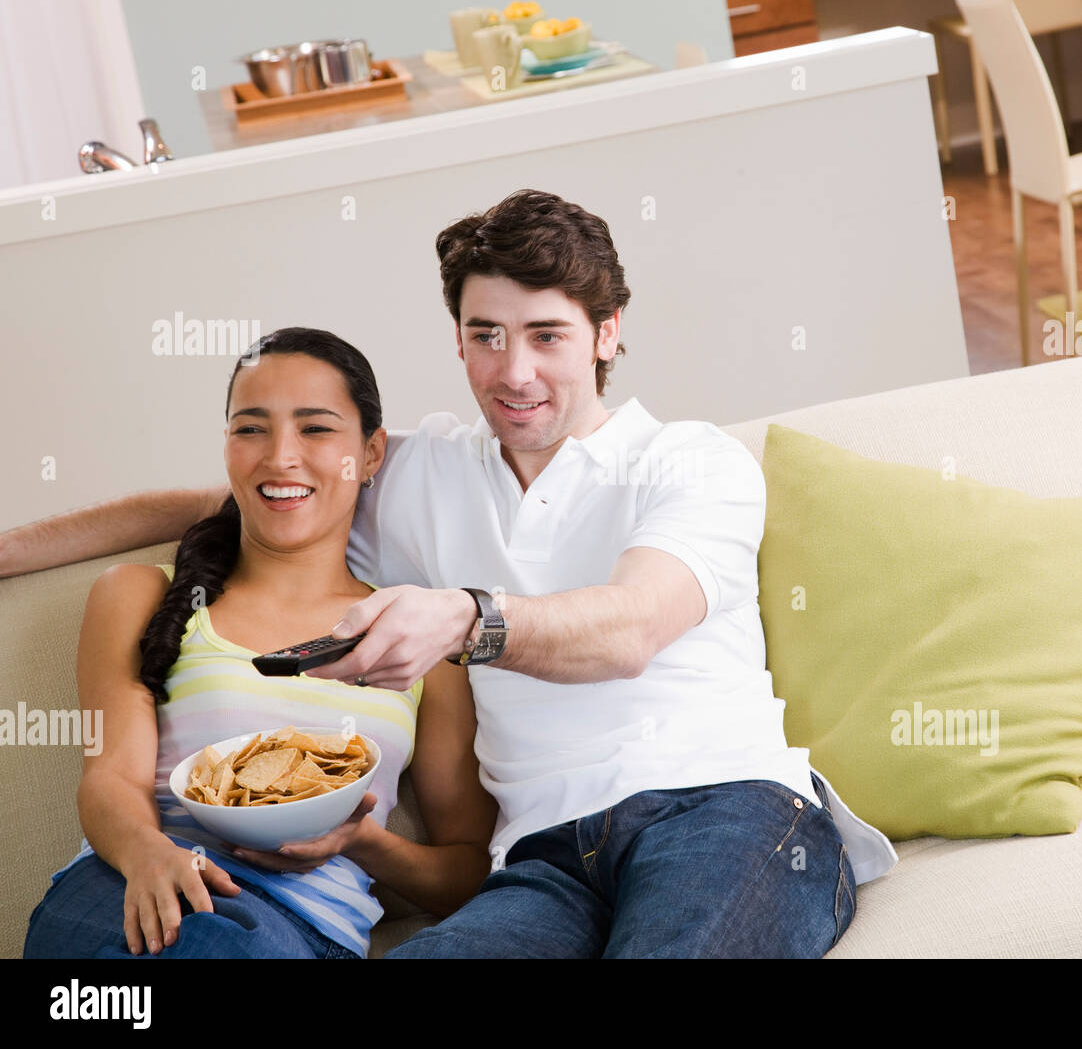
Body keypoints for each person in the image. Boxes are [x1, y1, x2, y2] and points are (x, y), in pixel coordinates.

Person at [5, 189, 899, 958]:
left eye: (547, 335)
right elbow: (258, 488)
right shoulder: (426, 471)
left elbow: (630, 629)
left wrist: (469, 619)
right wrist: (13, 550)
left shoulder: (689, 461)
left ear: (607, 333)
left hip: (722, 811)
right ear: (460, 342)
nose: (515, 372)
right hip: (540, 861)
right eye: (487, 335)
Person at [21, 328, 497, 959]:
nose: (280, 457)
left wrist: (358, 840)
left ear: (372, 452)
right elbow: (110, 777)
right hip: (128, 892)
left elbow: (466, 875)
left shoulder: (420, 642)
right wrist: (150, 855)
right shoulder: (139, 594)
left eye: (316, 429)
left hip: (299, 933)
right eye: (250, 429)